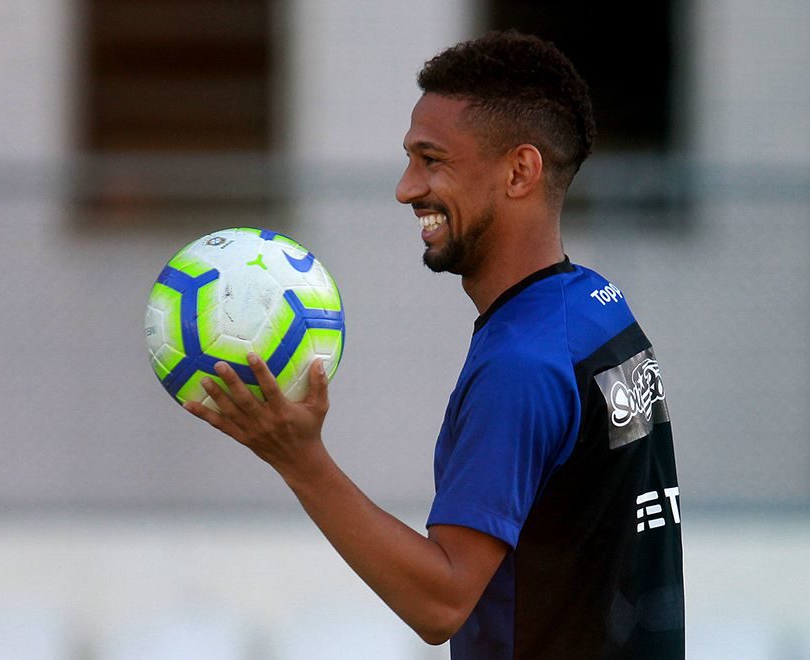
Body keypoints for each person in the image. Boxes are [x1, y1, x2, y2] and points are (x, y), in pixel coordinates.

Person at [185, 30, 684, 659]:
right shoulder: (596, 309)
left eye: (432, 159)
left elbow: (440, 602)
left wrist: (299, 459)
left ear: (520, 170)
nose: (406, 187)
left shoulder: (522, 365)